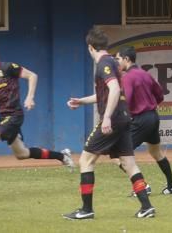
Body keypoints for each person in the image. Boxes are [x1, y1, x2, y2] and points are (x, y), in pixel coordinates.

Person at [64, 27, 155, 220]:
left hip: (113, 118)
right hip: (124, 117)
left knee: (85, 160)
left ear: (90, 47)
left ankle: (86, 209)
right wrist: (82, 101)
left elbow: (113, 89)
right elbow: (105, 93)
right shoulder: (114, 62)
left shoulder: (103, 63)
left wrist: (106, 117)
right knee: (129, 163)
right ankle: (147, 207)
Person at [0, 43, 73, 187]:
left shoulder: (8, 67)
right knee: (22, 154)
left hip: (14, 116)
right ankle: (62, 156)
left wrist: (30, 97)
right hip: (3, 118)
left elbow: (32, 76)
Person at [114, 47, 172, 195]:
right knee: (156, 152)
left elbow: (126, 101)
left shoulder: (127, 77)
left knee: (119, 153)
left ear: (126, 59)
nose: (117, 63)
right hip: (153, 117)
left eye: (118, 59)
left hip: (141, 119)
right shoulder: (145, 74)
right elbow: (160, 95)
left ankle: (142, 186)